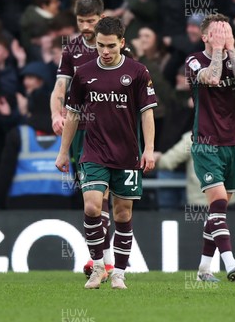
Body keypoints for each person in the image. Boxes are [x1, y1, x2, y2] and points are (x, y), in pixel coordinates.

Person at [55, 16, 157, 290]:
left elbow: (147, 113)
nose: (106, 52)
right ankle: (98, 265)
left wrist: (148, 149)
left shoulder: (137, 72)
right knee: (91, 205)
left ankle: (120, 273)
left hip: (126, 154)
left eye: (111, 46)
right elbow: (73, 115)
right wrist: (64, 152)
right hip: (94, 151)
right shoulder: (84, 73)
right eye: (101, 46)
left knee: (123, 214)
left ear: (122, 43)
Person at [49, 0, 115, 277]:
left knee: (106, 197)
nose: (86, 26)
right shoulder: (72, 49)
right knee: (92, 197)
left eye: (90, 21)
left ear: (101, 17)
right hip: (81, 131)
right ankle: (102, 259)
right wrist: (56, 114)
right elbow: (59, 89)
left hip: (111, 128)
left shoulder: (115, 46)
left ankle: (104, 259)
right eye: (81, 21)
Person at [185, 13, 235, 282]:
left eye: (227, 31)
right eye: (217, 32)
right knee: (220, 200)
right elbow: (212, 78)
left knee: (218, 209)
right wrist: (216, 51)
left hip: (233, 141)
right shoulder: (193, 60)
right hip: (206, 141)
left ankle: (203, 269)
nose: (223, 36)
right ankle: (229, 260)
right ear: (205, 37)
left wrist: (230, 49)